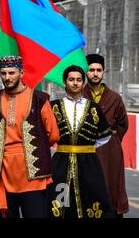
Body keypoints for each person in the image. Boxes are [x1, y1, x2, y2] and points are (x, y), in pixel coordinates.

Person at [0, 56, 59, 218]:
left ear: (22, 72)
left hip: (33, 176)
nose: (7, 77)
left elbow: (53, 134)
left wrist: (37, 146)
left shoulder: (39, 99)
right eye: (3, 73)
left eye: (12, 73)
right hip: (4, 173)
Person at [48, 65, 115, 218]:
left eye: (79, 80)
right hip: (61, 165)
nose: (75, 83)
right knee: (61, 203)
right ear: (65, 82)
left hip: (88, 165)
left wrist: (87, 148)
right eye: (71, 79)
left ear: (83, 83)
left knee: (91, 199)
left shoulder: (94, 108)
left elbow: (105, 135)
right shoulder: (54, 106)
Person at [83, 54, 129, 217]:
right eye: (91, 70)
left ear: (103, 73)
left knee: (112, 186)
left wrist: (112, 141)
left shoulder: (115, 98)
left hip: (110, 151)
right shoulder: (80, 95)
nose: (95, 73)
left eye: (98, 70)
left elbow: (123, 124)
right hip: (86, 148)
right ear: (86, 72)